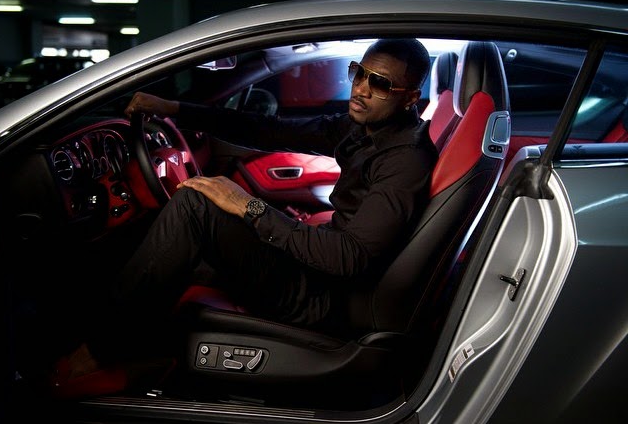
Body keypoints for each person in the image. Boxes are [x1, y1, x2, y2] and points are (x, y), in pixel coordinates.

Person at [55, 38, 439, 390]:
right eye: (359, 73)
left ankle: (98, 354)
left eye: (380, 84)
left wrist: (249, 206)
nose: (362, 89)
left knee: (195, 207)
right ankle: (143, 350)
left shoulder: (405, 159)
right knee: (184, 250)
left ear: (410, 98)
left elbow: (349, 256)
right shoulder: (363, 128)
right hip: (317, 274)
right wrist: (175, 110)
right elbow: (267, 130)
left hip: (324, 299)